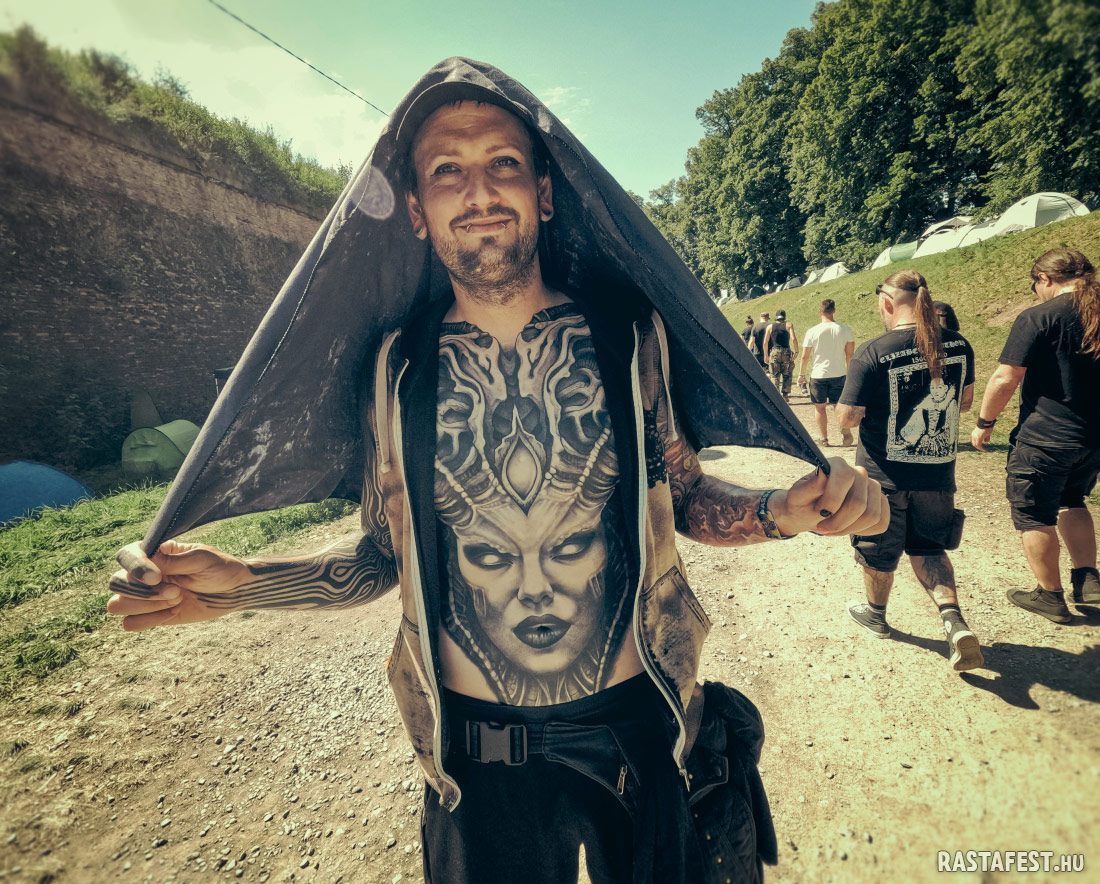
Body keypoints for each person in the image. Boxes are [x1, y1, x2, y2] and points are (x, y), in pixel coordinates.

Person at [107, 62, 888, 884]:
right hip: (476, 761)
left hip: (639, 729)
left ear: (543, 194)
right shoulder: (397, 369)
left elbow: (683, 496)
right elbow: (384, 555)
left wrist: (782, 510)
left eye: (503, 163)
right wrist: (242, 586)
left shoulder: (627, 337)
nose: (478, 191)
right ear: (418, 211)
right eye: (448, 170)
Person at [837, 270, 984, 672]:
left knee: (877, 550)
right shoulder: (959, 345)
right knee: (929, 549)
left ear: (887, 302)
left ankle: (876, 615)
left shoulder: (874, 351)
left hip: (883, 478)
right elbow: (964, 403)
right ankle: (954, 622)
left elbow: (847, 419)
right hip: (937, 475)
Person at [971, 249, 1100, 623]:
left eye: (1035, 285)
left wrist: (984, 422)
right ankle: (1088, 579)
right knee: (1072, 499)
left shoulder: (1040, 316)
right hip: (1092, 438)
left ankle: (1050, 595)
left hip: (1046, 437)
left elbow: (1005, 377)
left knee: (1034, 514)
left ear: (1045, 278)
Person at [798, 299, 855, 447]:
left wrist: (801, 374)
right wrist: (849, 373)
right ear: (834, 310)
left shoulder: (812, 331)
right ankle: (845, 430)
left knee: (820, 407)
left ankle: (824, 438)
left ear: (820, 312)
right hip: (839, 373)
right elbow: (850, 354)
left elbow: (804, 356)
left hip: (819, 375)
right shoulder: (845, 329)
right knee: (839, 405)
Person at [762, 309, 799, 402]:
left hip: (775, 352)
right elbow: (794, 339)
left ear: (776, 317)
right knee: (787, 374)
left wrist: (766, 355)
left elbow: (765, 342)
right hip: (786, 352)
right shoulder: (789, 325)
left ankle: (776, 396)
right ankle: (785, 395)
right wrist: (796, 351)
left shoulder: (770, 327)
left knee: (774, 375)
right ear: (784, 317)